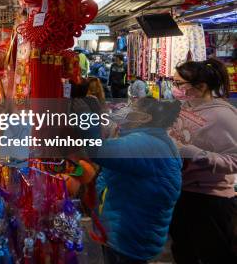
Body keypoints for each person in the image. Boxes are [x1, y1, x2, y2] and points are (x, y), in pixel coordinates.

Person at [88, 98, 183, 264]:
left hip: (129, 235)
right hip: (131, 230)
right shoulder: (153, 140)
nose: (125, 109)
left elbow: (96, 150)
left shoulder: (146, 143)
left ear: (144, 118)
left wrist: (86, 117)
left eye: (132, 107)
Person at [169, 58, 237, 263]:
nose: (175, 89)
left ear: (201, 86)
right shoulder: (184, 107)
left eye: (179, 84)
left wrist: (196, 154)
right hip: (182, 194)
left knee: (213, 255)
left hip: (210, 201)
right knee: (183, 252)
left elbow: (234, 160)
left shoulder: (223, 116)